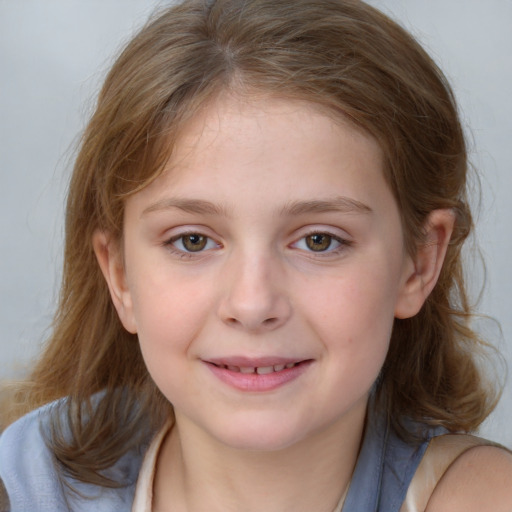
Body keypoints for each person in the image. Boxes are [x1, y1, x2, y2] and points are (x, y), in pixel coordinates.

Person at [0, 0, 511, 510]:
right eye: (192, 241)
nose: (252, 303)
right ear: (120, 275)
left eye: (319, 240)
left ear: (419, 262)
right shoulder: (26, 486)